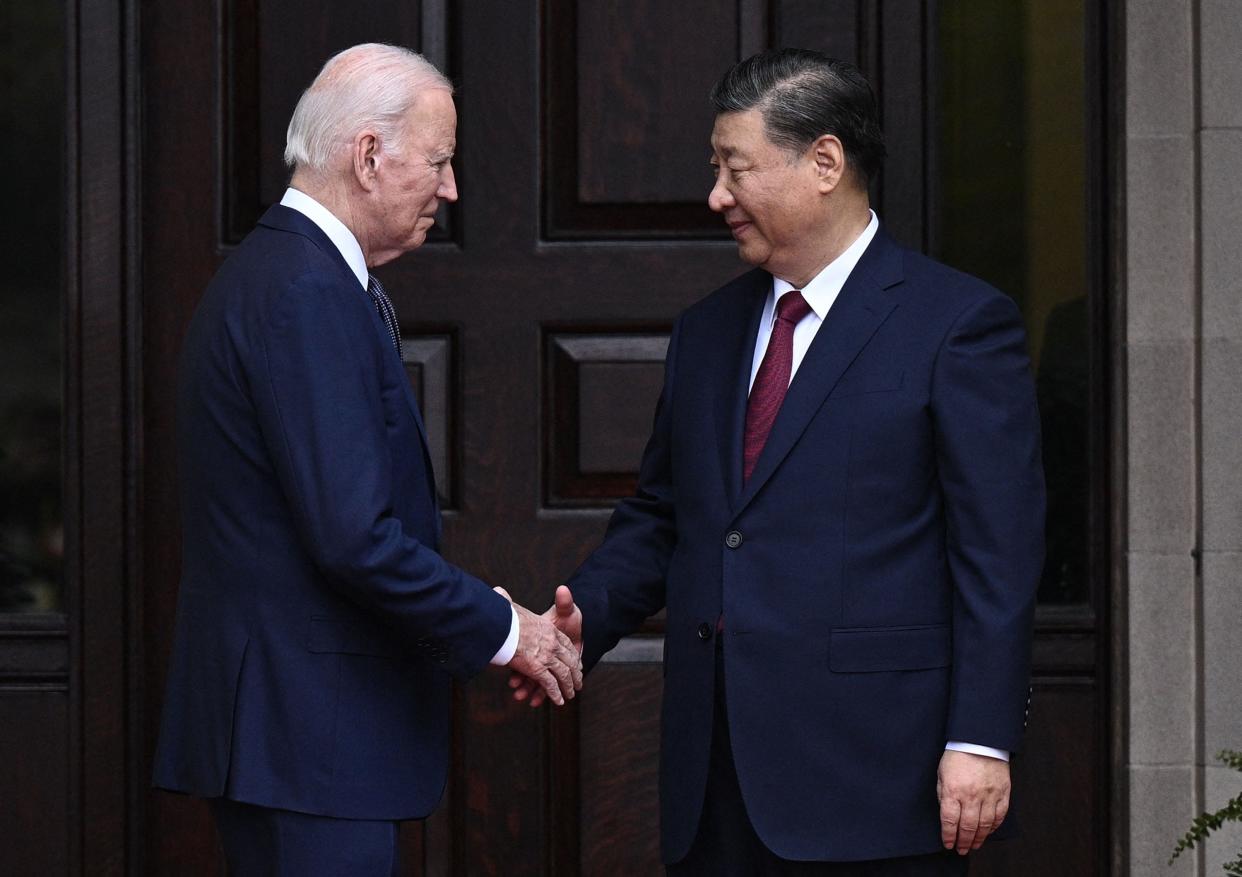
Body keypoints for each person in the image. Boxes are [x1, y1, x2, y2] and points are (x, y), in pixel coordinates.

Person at [516, 49, 1044, 875]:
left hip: (877, 777)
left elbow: (997, 554)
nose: (716, 196)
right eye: (715, 169)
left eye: (736, 168)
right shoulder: (708, 330)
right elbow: (666, 515)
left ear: (825, 162)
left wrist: (980, 737)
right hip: (716, 778)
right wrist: (586, 613)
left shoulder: (957, 325)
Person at [152, 43, 581, 875]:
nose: (451, 189)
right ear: (370, 154)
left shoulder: (284, 272)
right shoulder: (305, 290)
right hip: (306, 740)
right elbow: (352, 537)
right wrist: (505, 629)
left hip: (297, 737)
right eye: (440, 161)